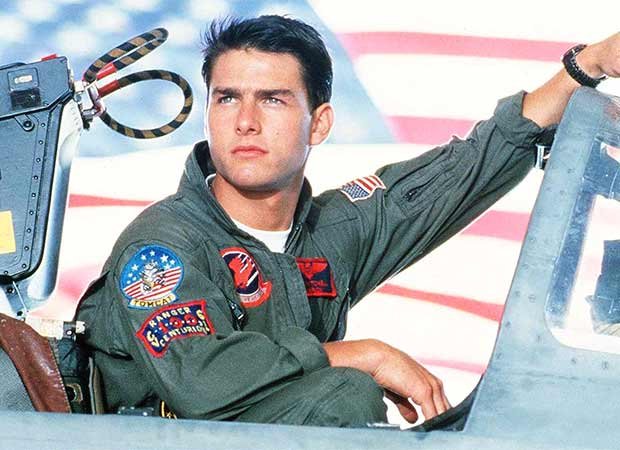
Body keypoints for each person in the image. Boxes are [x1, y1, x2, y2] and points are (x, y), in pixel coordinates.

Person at [76, 15, 620, 426]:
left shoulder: (328, 232)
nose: (245, 122)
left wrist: (587, 65)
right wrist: (362, 356)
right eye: (227, 99)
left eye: (272, 100)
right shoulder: (163, 247)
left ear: (318, 124)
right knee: (345, 394)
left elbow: (466, 167)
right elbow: (202, 380)